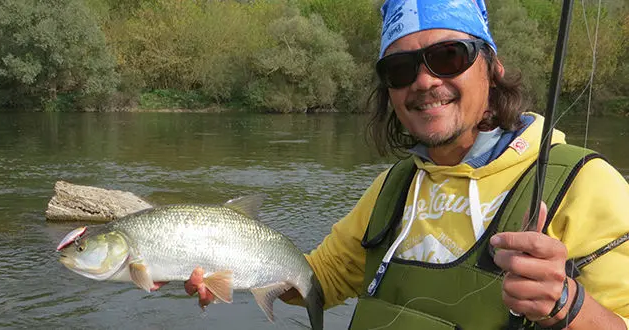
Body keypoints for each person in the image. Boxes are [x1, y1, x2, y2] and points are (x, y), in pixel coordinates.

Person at [180, 0, 629, 329]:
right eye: (400, 69)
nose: (425, 81)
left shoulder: (588, 184)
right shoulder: (393, 188)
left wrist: (569, 307)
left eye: (448, 56)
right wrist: (228, 265)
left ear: (492, 68)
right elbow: (319, 280)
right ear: (390, 92)